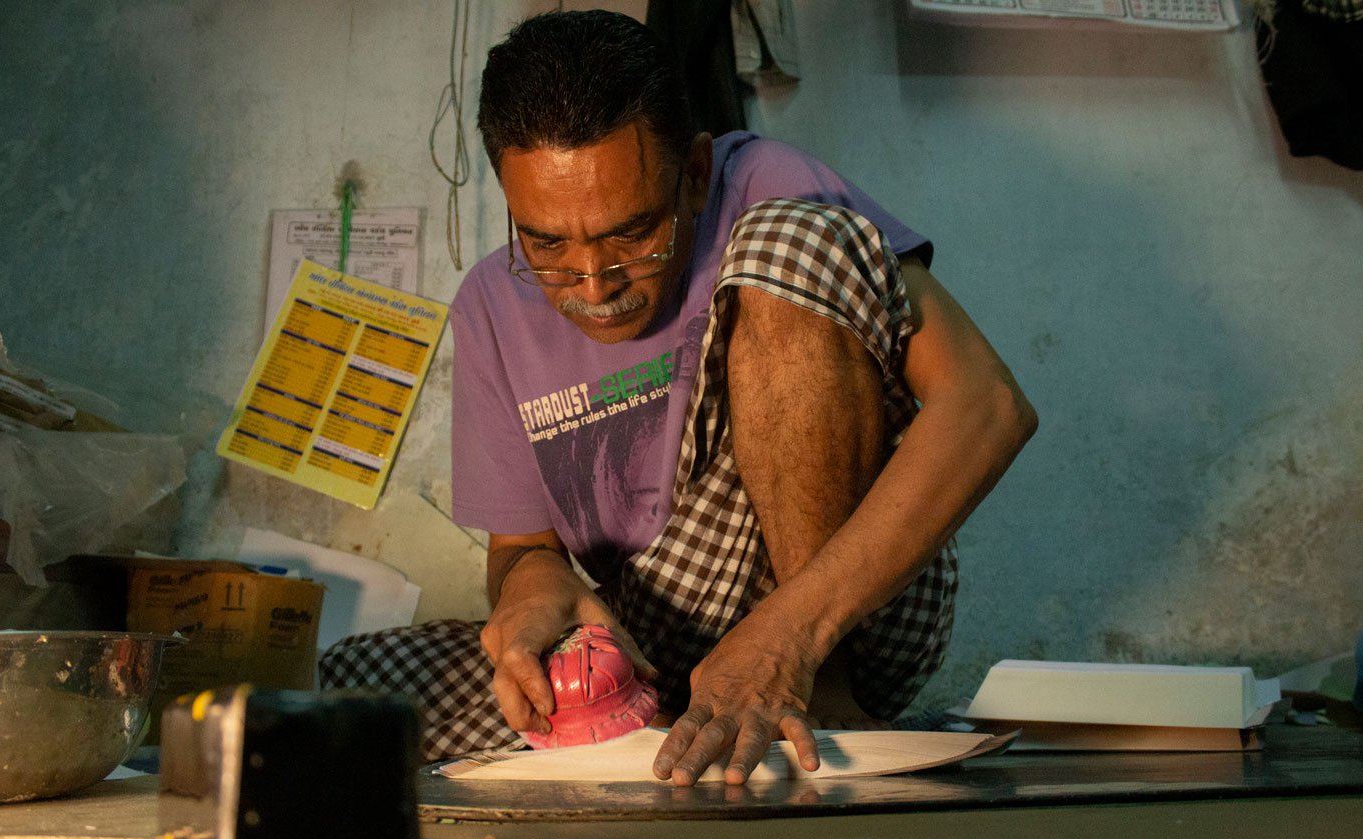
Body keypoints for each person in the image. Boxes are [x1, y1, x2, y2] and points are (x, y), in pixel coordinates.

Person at [320, 9, 1037, 786]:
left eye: (632, 234)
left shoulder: (762, 180)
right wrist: (531, 590)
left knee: (793, 240)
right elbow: (521, 551)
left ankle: (816, 694)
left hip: (841, 613)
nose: (593, 286)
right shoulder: (491, 302)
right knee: (354, 686)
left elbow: (990, 404)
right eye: (549, 245)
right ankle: (681, 723)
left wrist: (790, 636)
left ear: (692, 173)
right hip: (660, 637)